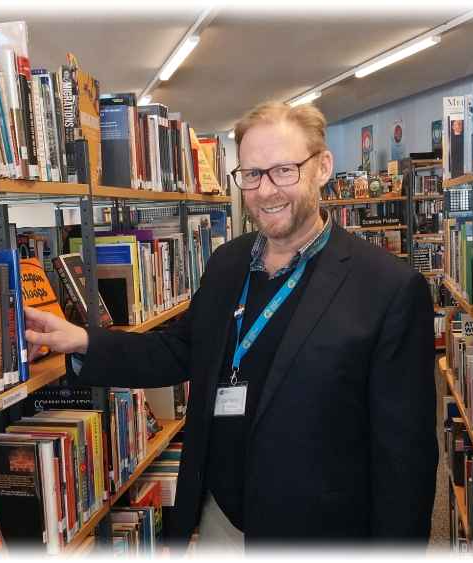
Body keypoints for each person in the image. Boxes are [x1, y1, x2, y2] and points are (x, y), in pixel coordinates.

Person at [24, 102, 437, 552]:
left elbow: (405, 460)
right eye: (252, 174)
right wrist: (84, 341)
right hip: (219, 518)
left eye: (284, 170)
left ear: (322, 167)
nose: (265, 190)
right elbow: (181, 349)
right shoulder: (227, 263)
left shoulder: (387, 288)